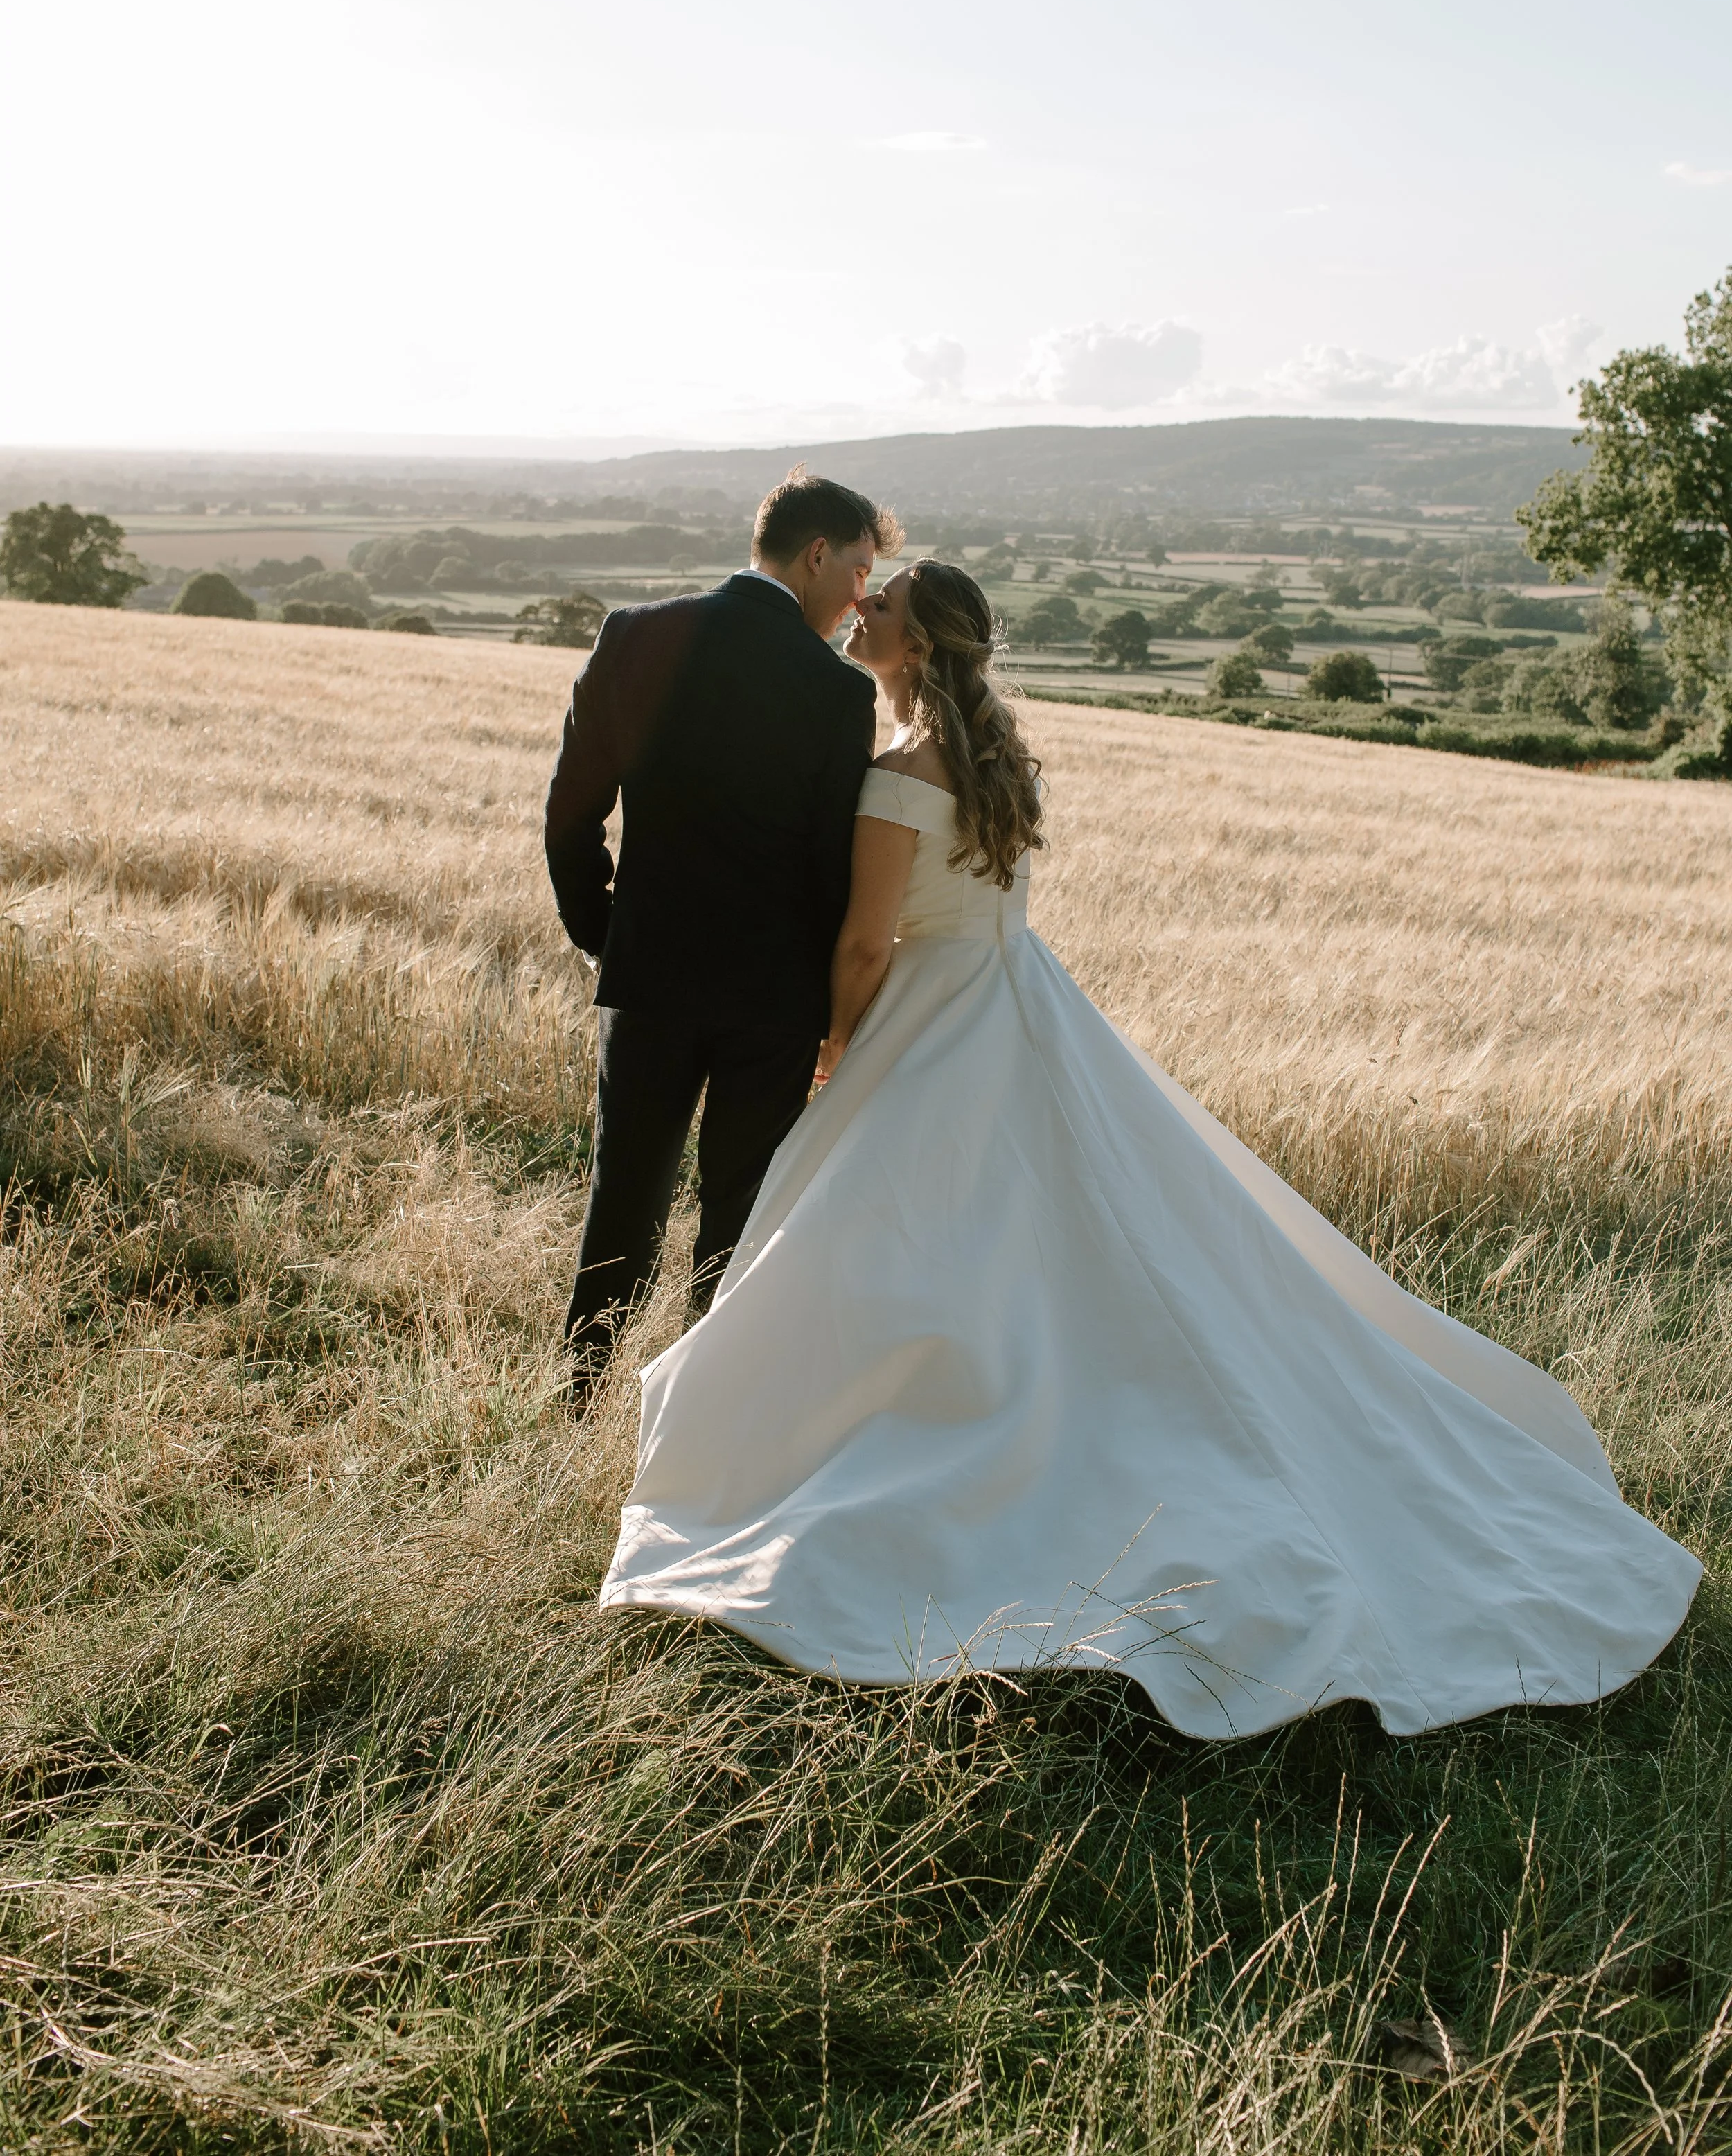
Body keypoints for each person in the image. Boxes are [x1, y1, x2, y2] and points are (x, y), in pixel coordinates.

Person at [598, 559, 1701, 1740]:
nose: (860, 613)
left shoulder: (896, 772)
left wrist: (835, 1051)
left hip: (930, 1017)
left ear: (915, 648)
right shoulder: (994, 756)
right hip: (1022, 1004)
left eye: (884, 610)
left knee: (906, 1238)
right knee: (1063, 1234)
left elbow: (868, 944)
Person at [545, 468, 900, 1393]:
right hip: (773, 1003)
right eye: (861, 569)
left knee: (622, 1200)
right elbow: (833, 867)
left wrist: (604, 933)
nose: (864, 594)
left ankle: (577, 1399)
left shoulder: (635, 636)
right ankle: (702, 1424)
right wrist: (825, 1007)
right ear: (818, 554)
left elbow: (569, 815)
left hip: (649, 976)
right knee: (735, 1223)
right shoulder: (835, 693)